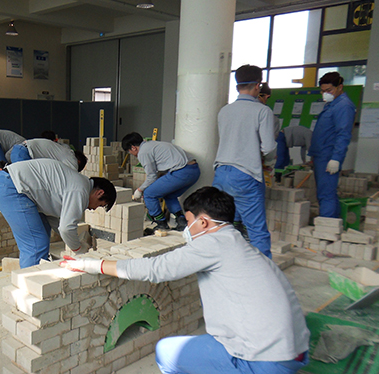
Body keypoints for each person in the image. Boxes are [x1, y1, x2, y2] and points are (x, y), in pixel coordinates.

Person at [63, 186, 310, 374]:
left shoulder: (214, 243)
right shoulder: (242, 246)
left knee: (166, 352)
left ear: (204, 222)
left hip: (264, 360)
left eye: (189, 222)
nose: (186, 228)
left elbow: (155, 269)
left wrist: (91, 264)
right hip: (295, 350)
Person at [0, 159, 117, 268]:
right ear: (99, 193)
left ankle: (40, 277)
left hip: (12, 184)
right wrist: (79, 249)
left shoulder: (77, 184)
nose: (94, 209)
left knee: (43, 235)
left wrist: (76, 240)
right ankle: (32, 287)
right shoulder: (80, 190)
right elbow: (66, 228)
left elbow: (56, 222)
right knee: (36, 244)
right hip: (11, 187)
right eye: (99, 205)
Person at [213, 64, 277, 258]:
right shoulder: (262, 111)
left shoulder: (224, 111)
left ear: (236, 87)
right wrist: (269, 164)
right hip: (245, 175)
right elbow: (268, 147)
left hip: (221, 173)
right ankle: (262, 278)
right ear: (258, 86)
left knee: (222, 225)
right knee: (257, 230)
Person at [121, 132, 200, 231]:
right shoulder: (152, 144)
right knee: (169, 194)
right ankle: (182, 221)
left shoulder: (143, 152)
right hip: (193, 170)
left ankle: (161, 223)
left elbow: (152, 176)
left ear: (133, 148)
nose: (131, 154)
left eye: (129, 152)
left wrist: (139, 190)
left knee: (149, 194)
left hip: (181, 172)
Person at [308, 72, 356, 218]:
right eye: (323, 91)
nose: (325, 94)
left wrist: (336, 158)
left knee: (326, 193)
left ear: (340, 87)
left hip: (328, 156)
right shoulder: (331, 104)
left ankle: (326, 229)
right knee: (325, 192)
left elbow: (343, 134)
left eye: (329, 90)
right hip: (321, 154)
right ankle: (333, 224)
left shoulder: (344, 106)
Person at [10, 138, 87, 172]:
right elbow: (73, 177)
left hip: (19, 150)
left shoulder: (64, 150)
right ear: (79, 161)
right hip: (24, 153)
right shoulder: (72, 158)